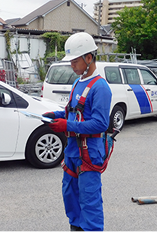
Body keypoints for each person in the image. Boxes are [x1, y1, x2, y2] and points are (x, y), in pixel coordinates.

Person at [43, 32, 112, 232]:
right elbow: (72, 113)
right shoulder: (77, 83)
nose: (71, 66)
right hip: (72, 151)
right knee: (70, 196)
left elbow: (100, 124)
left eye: (74, 61)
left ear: (88, 58)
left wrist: (67, 126)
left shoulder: (100, 87)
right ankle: (76, 227)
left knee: (89, 200)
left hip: (89, 153)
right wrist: (54, 115)